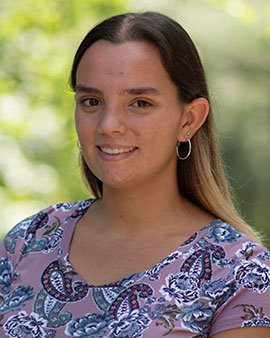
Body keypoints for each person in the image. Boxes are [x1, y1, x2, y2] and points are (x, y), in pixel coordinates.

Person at [0, 12, 269, 338]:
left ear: (189, 120)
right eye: (91, 101)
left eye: (140, 103)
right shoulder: (28, 241)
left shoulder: (240, 273)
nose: (108, 124)